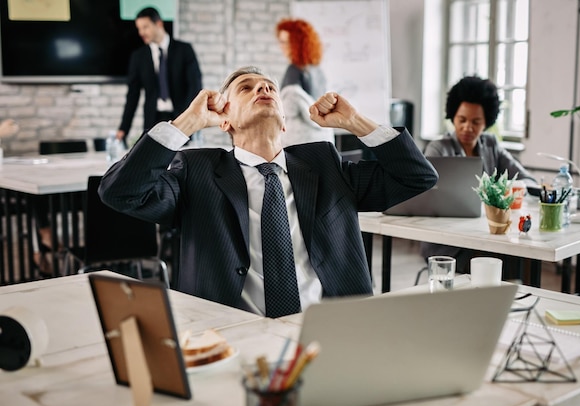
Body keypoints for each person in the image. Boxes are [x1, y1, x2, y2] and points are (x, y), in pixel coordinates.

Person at [99, 66, 438, 317]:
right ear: (224, 120)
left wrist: (355, 122)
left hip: (330, 329)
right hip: (231, 334)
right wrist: (186, 122)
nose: (262, 88)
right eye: (246, 88)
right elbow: (121, 192)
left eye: (268, 87)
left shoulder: (324, 165)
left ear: (285, 121)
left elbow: (417, 178)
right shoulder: (196, 171)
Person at [421, 75, 537, 273]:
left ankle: (507, 302)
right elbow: (430, 196)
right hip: (449, 243)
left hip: (485, 235)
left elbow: (527, 180)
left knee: (519, 256)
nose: (468, 127)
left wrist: (511, 188)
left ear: (487, 122)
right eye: (462, 120)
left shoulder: (491, 145)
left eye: (476, 122)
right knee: (501, 261)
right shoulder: (438, 149)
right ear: (453, 117)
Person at [116, 7, 202, 145]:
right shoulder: (138, 57)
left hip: (181, 118)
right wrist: (123, 129)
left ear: (159, 24)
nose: (141, 32)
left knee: (182, 161)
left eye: (145, 27)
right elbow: (133, 95)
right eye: (139, 28)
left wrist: (190, 118)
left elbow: (195, 87)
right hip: (152, 121)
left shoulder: (184, 50)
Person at [275, 18, 334, 147]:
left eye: (285, 42)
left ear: (297, 44)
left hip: (301, 143)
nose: (281, 47)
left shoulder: (293, 70)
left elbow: (289, 108)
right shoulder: (318, 70)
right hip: (324, 138)